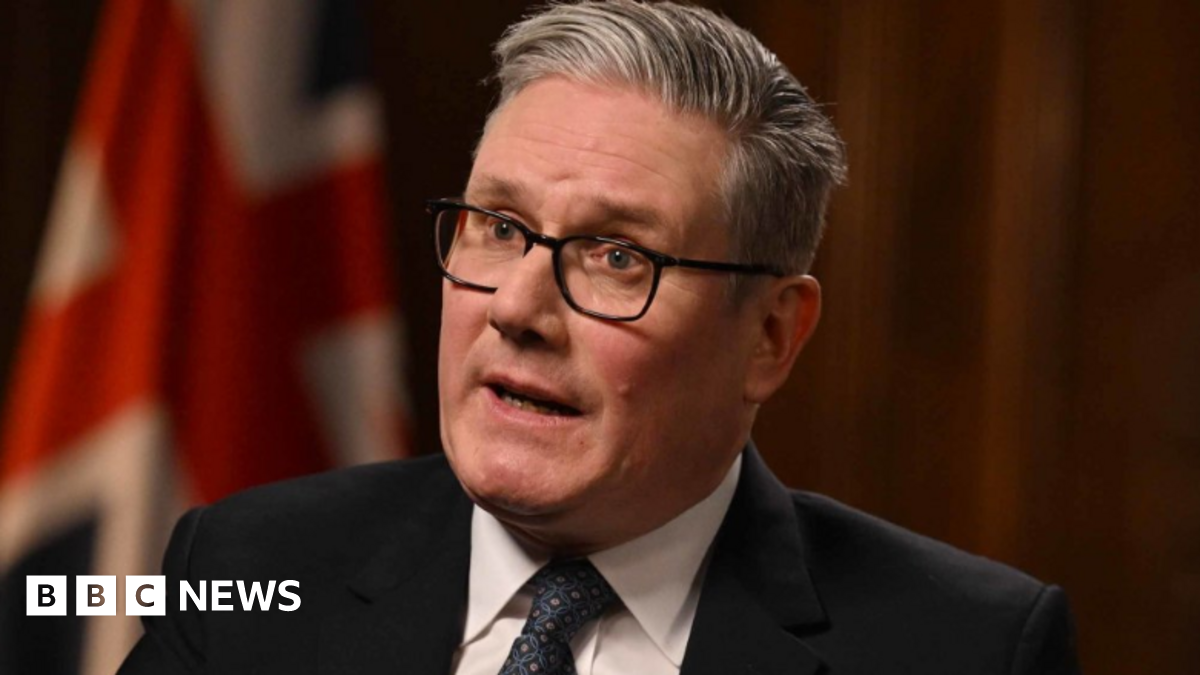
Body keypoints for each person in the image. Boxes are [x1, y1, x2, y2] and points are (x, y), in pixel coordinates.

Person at [119, 2, 1080, 673]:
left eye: (617, 255)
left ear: (771, 336)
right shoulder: (248, 567)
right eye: (499, 226)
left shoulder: (967, 647)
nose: (517, 309)